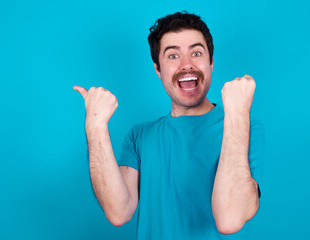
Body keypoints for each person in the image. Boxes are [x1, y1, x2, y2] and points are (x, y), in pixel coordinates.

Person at [74, 11, 264, 239]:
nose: (187, 65)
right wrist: (95, 126)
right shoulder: (139, 136)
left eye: (196, 53)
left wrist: (237, 114)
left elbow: (230, 219)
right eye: (173, 56)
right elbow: (118, 212)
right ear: (158, 69)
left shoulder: (245, 127)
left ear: (211, 63)